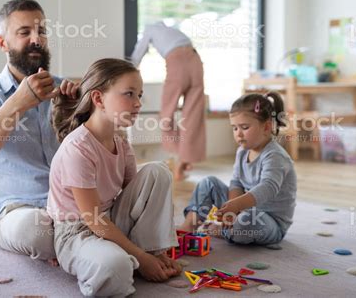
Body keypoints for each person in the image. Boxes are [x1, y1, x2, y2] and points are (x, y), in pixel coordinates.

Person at [47, 58, 182, 297]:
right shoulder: (77, 148)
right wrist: (139, 257)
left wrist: (154, 253)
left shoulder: (121, 142)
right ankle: (121, 259)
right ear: (98, 99)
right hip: (78, 232)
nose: (138, 103)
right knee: (116, 267)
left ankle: (147, 250)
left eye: (139, 95)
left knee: (158, 171)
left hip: (110, 220)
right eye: (129, 94)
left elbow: (139, 199)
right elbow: (93, 219)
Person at [0, 0, 77, 263]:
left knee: (147, 181)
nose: (36, 39)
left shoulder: (63, 91)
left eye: (42, 31)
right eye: (25, 32)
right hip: (18, 212)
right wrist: (17, 103)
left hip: (71, 207)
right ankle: (80, 244)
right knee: (36, 229)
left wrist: (78, 118)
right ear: (3, 43)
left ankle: (74, 245)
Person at [179, 92, 297, 245]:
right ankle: (188, 226)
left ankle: (222, 230)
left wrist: (237, 207)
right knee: (208, 183)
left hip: (269, 222)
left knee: (247, 221)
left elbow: (268, 188)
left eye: (245, 127)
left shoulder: (275, 156)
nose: (238, 134)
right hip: (243, 208)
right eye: (234, 128)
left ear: (266, 127)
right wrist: (232, 208)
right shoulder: (242, 151)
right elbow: (236, 182)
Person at [131, 21, 206, 181]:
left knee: (166, 114)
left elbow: (139, 53)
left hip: (177, 61)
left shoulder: (149, 28)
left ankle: (177, 157)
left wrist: (126, 70)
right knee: (193, 116)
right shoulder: (173, 31)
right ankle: (185, 158)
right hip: (195, 60)